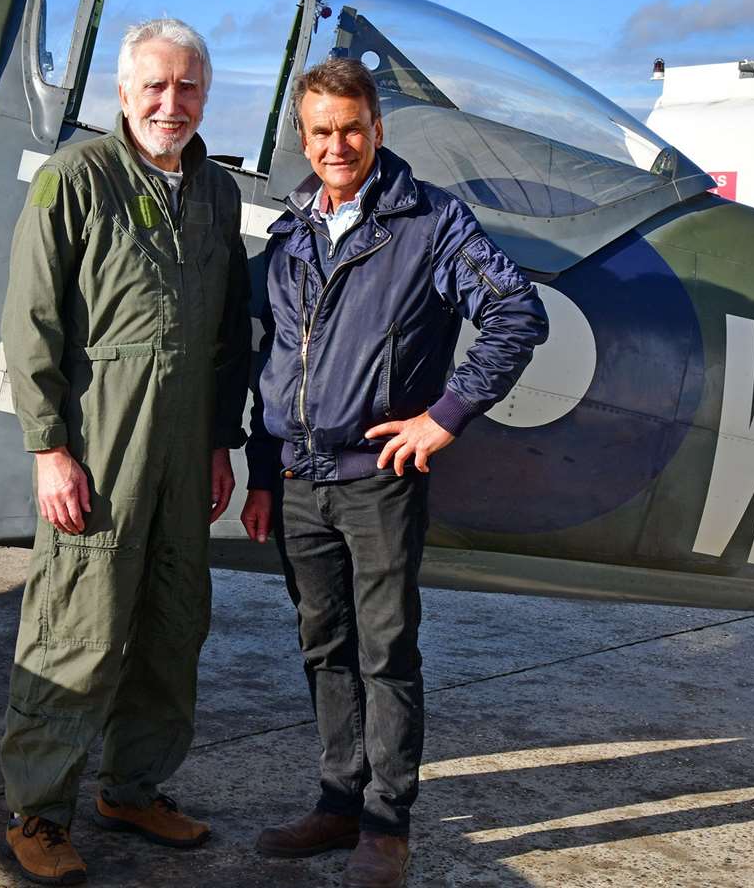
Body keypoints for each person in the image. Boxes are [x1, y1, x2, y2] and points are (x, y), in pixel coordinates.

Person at [241, 57, 547, 888]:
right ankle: (337, 803)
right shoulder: (291, 232)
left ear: (377, 130)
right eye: (320, 132)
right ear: (302, 140)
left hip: (377, 479)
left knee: (385, 649)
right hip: (299, 481)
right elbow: (273, 361)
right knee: (323, 645)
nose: (336, 145)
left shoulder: (433, 222)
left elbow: (517, 314)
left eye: (351, 128)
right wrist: (263, 473)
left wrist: (443, 416)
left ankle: (387, 823)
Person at [0, 18, 249, 885]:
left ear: (204, 96)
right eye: (155, 86)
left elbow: (227, 336)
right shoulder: (76, 179)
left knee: (172, 623)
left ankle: (133, 787)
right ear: (124, 92)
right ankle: (38, 810)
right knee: (79, 622)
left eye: (187, 88)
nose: (170, 104)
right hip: (102, 440)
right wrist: (49, 448)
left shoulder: (216, 193)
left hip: (186, 448)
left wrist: (221, 440)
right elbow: (31, 323)